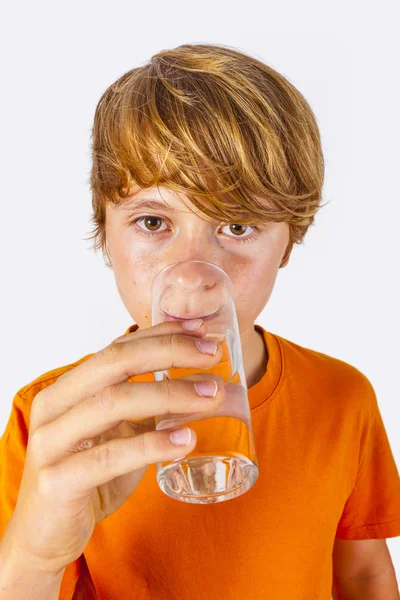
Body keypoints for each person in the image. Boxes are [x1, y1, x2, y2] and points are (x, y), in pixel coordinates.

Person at [0, 42, 399, 600]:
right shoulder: (52, 422)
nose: (191, 277)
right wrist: (34, 557)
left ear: (291, 239)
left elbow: (362, 575)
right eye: (152, 220)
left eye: (237, 226)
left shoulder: (343, 399)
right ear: (105, 231)